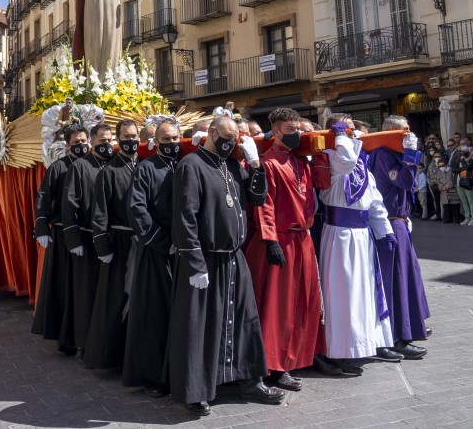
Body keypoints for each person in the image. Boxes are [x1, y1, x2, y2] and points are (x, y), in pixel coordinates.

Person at [169, 115, 282, 416]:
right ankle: (196, 391)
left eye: (235, 137)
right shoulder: (191, 166)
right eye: (226, 135)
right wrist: (194, 263)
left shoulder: (232, 165)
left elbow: (257, 197)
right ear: (210, 132)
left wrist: (255, 164)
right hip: (205, 260)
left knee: (244, 321)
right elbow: (185, 218)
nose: (230, 141)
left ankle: (248, 380)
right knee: (200, 326)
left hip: (234, 257)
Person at [242, 107, 327, 391]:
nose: (297, 135)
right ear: (276, 131)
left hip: (302, 238)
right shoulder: (268, 163)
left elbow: (323, 184)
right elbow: (263, 205)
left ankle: (294, 359)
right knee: (278, 308)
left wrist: (322, 151)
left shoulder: (301, 161)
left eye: (298, 130)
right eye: (291, 131)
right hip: (279, 240)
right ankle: (273, 367)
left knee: (303, 302)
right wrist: (270, 240)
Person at [318, 117, 397, 369]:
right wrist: (339, 138)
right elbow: (345, 162)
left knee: (366, 292)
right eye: (347, 130)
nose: (354, 135)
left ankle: (368, 343)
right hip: (340, 234)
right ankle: (342, 349)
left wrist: (385, 232)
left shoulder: (361, 164)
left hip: (363, 237)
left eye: (352, 130)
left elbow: (374, 200)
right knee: (344, 292)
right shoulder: (328, 158)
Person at [123, 118, 179, 397]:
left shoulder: (184, 165)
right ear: (155, 142)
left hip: (183, 253)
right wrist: (163, 243)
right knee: (154, 317)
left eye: (174, 139)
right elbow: (137, 210)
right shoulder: (146, 169)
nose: (171, 144)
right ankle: (155, 377)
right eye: (165, 140)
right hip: (157, 251)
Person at [83, 119, 140, 370]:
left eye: (134, 136)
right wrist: (103, 246)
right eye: (125, 137)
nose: (131, 140)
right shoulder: (109, 171)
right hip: (120, 242)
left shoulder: (144, 166)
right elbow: (100, 213)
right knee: (120, 298)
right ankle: (112, 356)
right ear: (119, 139)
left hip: (144, 242)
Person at [371, 115, 430, 358]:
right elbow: (406, 181)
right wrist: (411, 154)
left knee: (407, 278)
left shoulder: (391, 154)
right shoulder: (383, 154)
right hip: (390, 223)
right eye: (405, 131)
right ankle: (396, 336)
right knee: (395, 280)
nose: (410, 135)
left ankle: (407, 329)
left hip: (400, 221)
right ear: (394, 132)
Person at [32, 126, 88, 353]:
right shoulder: (58, 167)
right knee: (65, 286)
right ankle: (66, 337)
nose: (81, 145)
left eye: (84, 140)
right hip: (63, 233)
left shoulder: (95, 164)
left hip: (87, 233)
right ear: (67, 145)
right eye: (76, 142)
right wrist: (41, 227)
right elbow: (43, 197)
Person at [61, 124, 113, 356]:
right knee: (87, 294)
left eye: (109, 140)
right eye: (102, 141)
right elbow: (69, 204)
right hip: (87, 238)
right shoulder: (81, 166)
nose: (106, 144)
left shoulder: (114, 164)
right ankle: (83, 343)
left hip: (111, 240)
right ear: (92, 143)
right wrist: (74, 240)